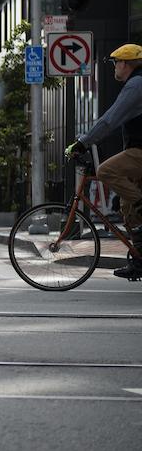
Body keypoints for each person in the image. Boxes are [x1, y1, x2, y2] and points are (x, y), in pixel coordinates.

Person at [67, 43, 142, 278]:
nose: (114, 67)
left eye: (115, 62)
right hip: (136, 151)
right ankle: (140, 261)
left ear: (126, 63)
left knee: (106, 171)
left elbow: (110, 119)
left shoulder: (136, 84)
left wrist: (83, 142)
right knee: (127, 208)